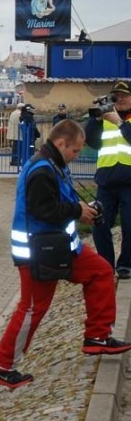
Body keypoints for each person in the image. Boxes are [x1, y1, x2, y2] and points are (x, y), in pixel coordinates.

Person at [0, 119, 131, 389]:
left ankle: (97, 337)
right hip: (39, 251)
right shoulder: (43, 169)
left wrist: (80, 208)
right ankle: (1, 366)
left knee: (100, 272)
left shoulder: (51, 164)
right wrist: (78, 211)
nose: (77, 156)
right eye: (75, 151)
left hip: (59, 247)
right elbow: (44, 210)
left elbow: (55, 203)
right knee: (31, 308)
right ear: (61, 143)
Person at [85, 80, 131, 278]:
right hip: (106, 180)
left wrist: (119, 123)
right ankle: (105, 265)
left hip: (130, 182)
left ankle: (126, 265)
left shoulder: (124, 120)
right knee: (100, 225)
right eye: (116, 96)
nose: (119, 99)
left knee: (130, 226)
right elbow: (92, 141)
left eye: (124, 95)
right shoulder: (104, 119)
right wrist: (96, 118)